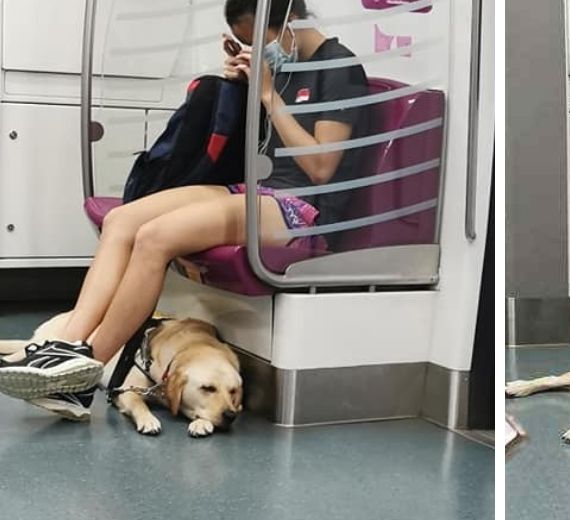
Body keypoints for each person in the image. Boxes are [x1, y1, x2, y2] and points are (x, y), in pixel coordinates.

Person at [0, 0, 370, 420]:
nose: (258, 50)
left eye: (257, 40)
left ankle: (79, 379)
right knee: (124, 220)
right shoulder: (289, 70)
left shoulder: (339, 67)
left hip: (302, 210)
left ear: (287, 20)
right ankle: (67, 344)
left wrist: (268, 95)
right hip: (260, 190)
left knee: (156, 238)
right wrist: (242, 87)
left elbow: (322, 168)